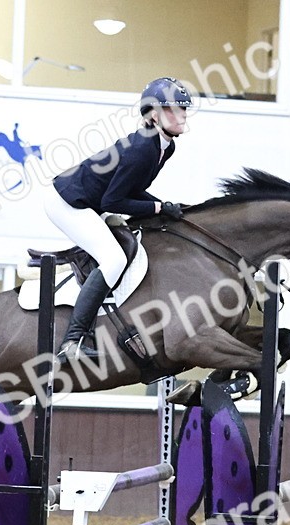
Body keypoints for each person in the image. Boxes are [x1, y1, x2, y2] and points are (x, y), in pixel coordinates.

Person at [46, 76, 192, 362]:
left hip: (93, 203)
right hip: (67, 203)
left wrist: (164, 205)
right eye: (175, 108)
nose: (183, 114)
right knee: (113, 259)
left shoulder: (164, 146)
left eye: (184, 108)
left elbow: (133, 190)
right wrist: (159, 209)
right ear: (153, 115)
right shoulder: (142, 148)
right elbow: (113, 201)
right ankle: (72, 342)